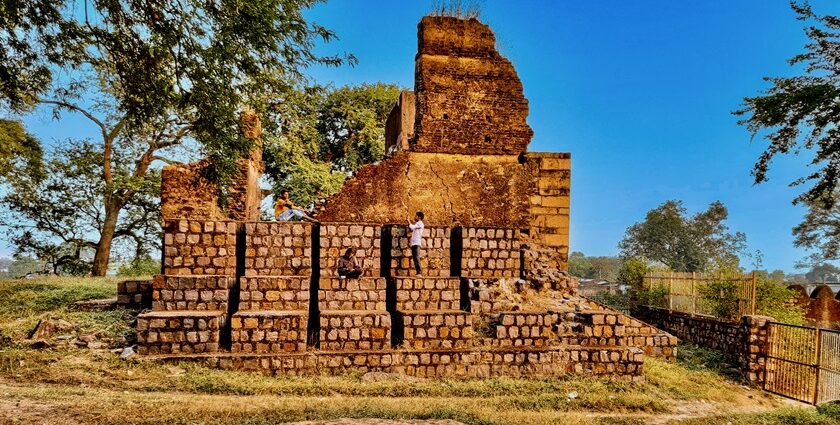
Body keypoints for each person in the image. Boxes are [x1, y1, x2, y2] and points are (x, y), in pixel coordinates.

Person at [408, 211, 424, 277]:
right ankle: (418, 272)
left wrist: (408, 221)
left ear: (419, 217)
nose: (414, 217)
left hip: (416, 243)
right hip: (414, 243)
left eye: (416, 216)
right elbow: (412, 229)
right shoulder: (417, 224)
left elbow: (412, 227)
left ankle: (419, 272)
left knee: (416, 257)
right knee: (415, 258)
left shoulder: (420, 223)